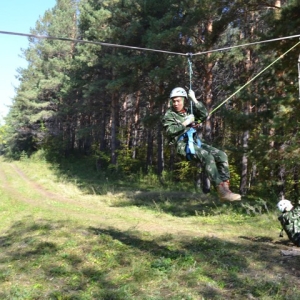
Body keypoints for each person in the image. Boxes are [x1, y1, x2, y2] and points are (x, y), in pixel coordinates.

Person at [162, 87, 241, 202]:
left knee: (222, 155)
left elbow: (204, 114)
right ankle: (221, 190)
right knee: (207, 156)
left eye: (178, 100)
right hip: (182, 145)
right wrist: (185, 123)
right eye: (173, 101)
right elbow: (170, 131)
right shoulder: (170, 115)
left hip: (195, 142)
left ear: (184, 100)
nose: (176, 103)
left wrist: (194, 100)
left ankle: (226, 188)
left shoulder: (189, 111)